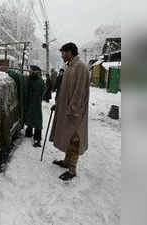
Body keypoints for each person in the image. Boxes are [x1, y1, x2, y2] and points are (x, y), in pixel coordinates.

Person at [49, 42, 90, 181]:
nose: (61, 55)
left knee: (74, 140)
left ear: (70, 52)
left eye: (63, 53)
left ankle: (72, 170)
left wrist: (73, 110)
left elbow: (79, 92)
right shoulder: (70, 67)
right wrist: (59, 105)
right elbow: (66, 91)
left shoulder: (80, 68)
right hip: (67, 111)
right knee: (68, 137)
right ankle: (66, 162)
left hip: (75, 113)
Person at [24, 65, 45, 148]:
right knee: (30, 116)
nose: (30, 71)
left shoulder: (39, 81)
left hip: (36, 102)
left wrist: (38, 98)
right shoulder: (30, 79)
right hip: (31, 102)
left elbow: (43, 91)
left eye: (31, 70)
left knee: (37, 119)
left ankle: (37, 138)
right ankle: (29, 132)